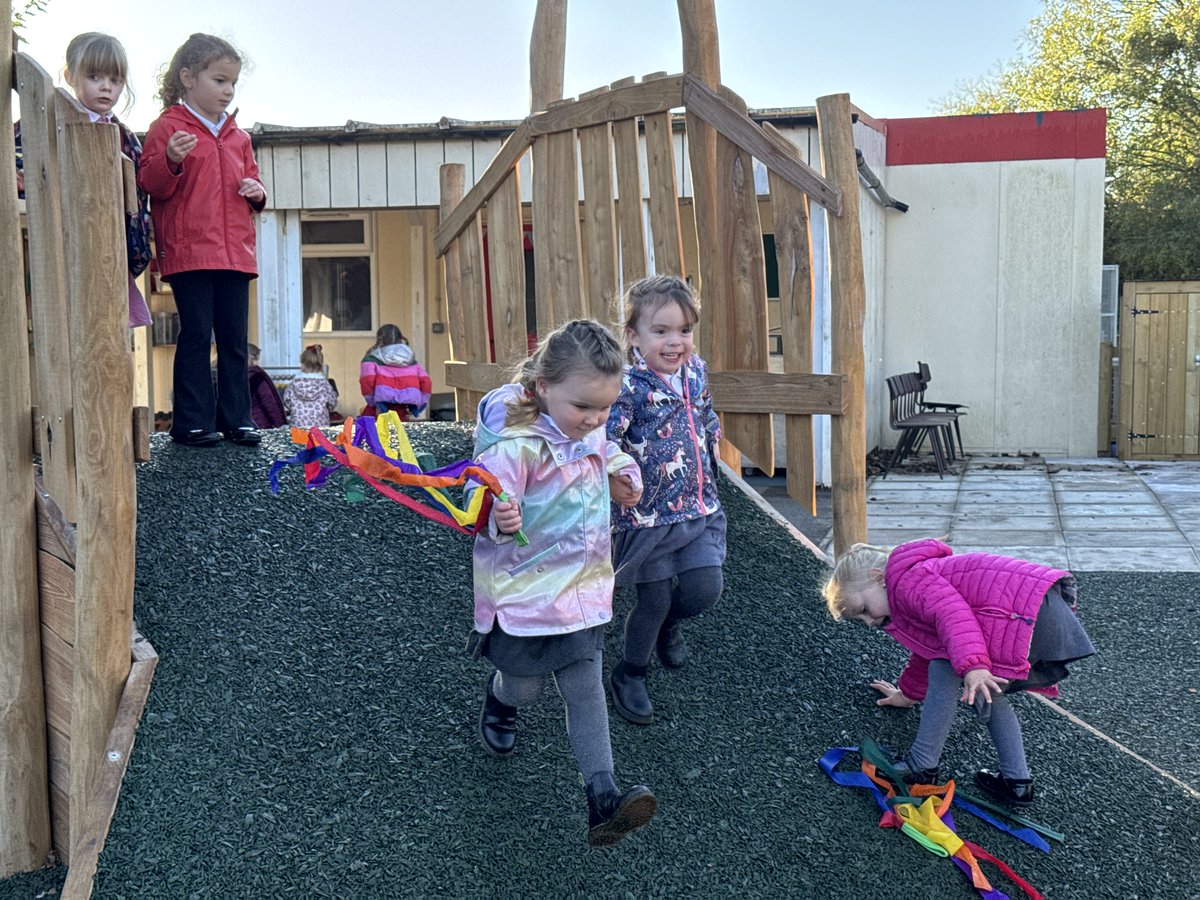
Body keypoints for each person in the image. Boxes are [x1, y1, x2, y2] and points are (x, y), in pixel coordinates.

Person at [469, 319, 656, 847]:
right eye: (583, 407)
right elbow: (477, 494)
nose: (594, 419)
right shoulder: (516, 445)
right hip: (526, 597)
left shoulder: (588, 427)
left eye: (605, 409)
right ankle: (501, 699)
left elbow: (607, 449)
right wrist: (495, 515)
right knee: (525, 688)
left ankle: (603, 797)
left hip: (582, 591)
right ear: (543, 386)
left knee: (584, 688)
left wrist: (625, 476)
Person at [821, 539, 1096, 807]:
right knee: (985, 690)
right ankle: (1017, 782)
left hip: (1022, 612)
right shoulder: (911, 587)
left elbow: (953, 616)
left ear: (878, 577)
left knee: (946, 667)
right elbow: (929, 648)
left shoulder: (907, 581)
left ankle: (921, 766)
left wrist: (974, 666)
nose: (869, 622)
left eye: (864, 610)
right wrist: (908, 694)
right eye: (861, 620)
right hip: (1035, 610)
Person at [604, 275, 726, 726]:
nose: (675, 342)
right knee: (652, 599)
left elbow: (705, 410)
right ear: (633, 335)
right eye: (661, 331)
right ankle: (630, 672)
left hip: (699, 505)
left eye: (684, 330)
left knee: (705, 588)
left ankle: (667, 625)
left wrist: (713, 437)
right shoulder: (626, 385)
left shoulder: (695, 370)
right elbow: (606, 437)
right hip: (647, 517)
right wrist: (616, 470)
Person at [138, 33, 267, 448]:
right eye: (219, 80)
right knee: (196, 334)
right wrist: (171, 159)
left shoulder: (239, 137)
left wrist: (257, 193)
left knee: (233, 339)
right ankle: (191, 422)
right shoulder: (167, 127)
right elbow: (151, 184)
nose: (228, 90)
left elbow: (254, 182)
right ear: (188, 78)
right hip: (190, 252)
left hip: (235, 254)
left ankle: (238, 419)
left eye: (232, 83)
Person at [16, 33, 153, 329]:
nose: (106, 87)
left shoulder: (124, 137)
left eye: (115, 80)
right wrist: (20, 178)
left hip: (108, 242)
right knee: (62, 316)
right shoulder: (45, 124)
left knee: (105, 320)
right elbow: (17, 157)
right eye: (94, 77)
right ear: (69, 76)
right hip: (58, 237)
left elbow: (139, 193)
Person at [359, 324, 432, 420]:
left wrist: (372, 401)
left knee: (372, 429)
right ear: (400, 338)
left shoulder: (371, 359)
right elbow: (426, 382)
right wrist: (420, 403)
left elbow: (367, 380)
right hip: (402, 411)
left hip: (380, 409)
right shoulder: (410, 360)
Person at [283, 344, 338, 429]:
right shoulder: (324, 384)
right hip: (320, 427)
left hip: (297, 427)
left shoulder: (294, 383)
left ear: (302, 364)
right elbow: (333, 403)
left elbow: (286, 401)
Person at [247, 343, 285, 429]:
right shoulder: (257, 376)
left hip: (237, 425)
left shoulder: (229, 377)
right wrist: (279, 423)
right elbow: (269, 401)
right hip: (259, 423)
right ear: (253, 358)